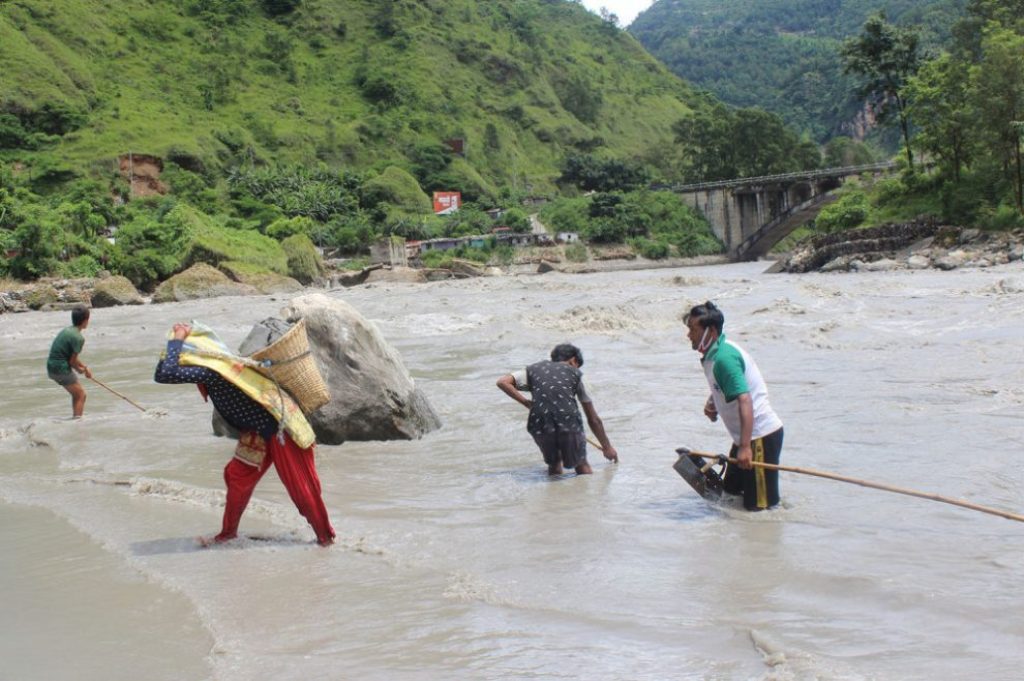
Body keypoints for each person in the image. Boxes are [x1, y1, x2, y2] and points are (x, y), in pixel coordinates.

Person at [154, 322, 335, 546]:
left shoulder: (213, 370)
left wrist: (177, 339)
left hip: (281, 428)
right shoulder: (214, 366)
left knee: (301, 488)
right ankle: (228, 533)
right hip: (257, 431)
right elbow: (163, 371)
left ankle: (325, 539)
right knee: (237, 476)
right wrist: (175, 343)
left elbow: (167, 373)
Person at [684, 301, 784, 510]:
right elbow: (722, 385)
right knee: (729, 497)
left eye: (693, 329)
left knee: (759, 511)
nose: (689, 335)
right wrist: (713, 402)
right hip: (745, 438)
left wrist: (746, 447)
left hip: (759, 437)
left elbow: (745, 399)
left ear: (710, 330)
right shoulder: (713, 355)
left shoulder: (724, 358)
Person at [497, 343, 618, 475]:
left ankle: (554, 493)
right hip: (568, 421)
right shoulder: (575, 374)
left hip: (539, 423)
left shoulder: (534, 369)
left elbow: (503, 382)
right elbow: (593, 419)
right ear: (573, 361)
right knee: (582, 465)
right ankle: (583, 494)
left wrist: (526, 403)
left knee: (554, 465)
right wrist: (607, 447)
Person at [46, 305, 92, 418]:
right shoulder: (78, 338)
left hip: (51, 368)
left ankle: (75, 419)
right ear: (86, 320)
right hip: (61, 369)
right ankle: (78, 423)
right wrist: (80, 370)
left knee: (76, 394)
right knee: (81, 395)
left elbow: (71, 357)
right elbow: (72, 362)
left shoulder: (67, 331)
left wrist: (85, 368)